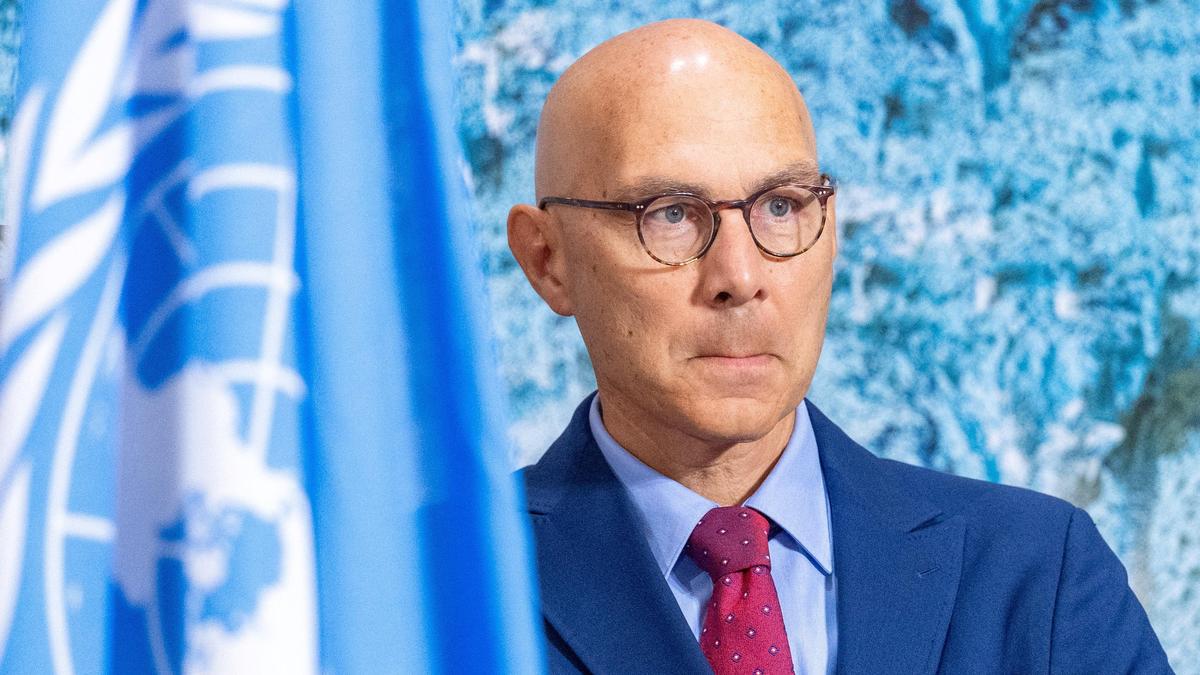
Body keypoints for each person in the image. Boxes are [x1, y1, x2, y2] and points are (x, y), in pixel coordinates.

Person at [505, 18, 1171, 675]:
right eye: (669, 214)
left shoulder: (1041, 578)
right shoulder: (459, 586)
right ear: (547, 260)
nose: (740, 276)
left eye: (780, 206)